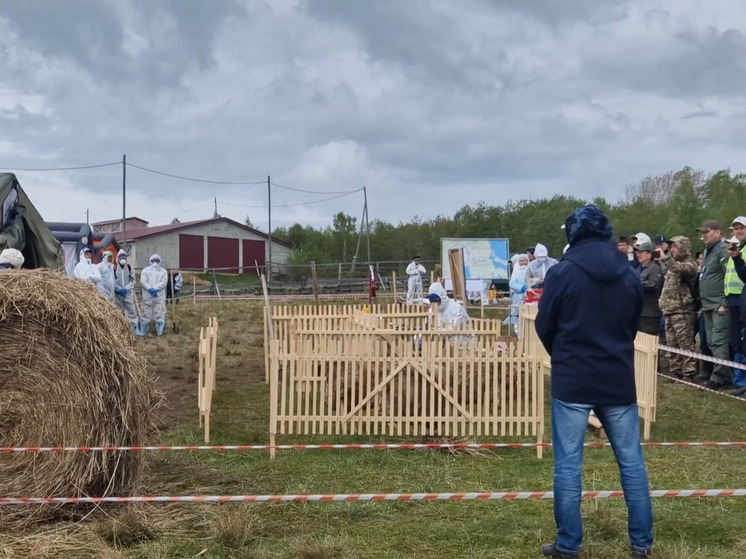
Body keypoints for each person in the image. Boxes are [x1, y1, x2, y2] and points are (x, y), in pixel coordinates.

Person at [535, 205, 653, 559]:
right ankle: (642, 545)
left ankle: (568, 545)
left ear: (573, 233)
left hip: (573, 378)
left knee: (568, 465)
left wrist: (564, 354)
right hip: (617, 378)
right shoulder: (629, 272)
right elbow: (633, 324)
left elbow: (545, 323)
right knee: (632, 462)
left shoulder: (563, 272)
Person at [696, 220, 732, 390]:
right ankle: (725, 375)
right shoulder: (708, 251)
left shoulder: (722, 250)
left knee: (719, 341)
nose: (703, 235)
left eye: (707, 232)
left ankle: (718, 378)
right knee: (711, 342)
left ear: (717, 232)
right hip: (708, 305)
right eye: (702, 232)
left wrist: (725, 302)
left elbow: (730, 276)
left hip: (719, 304)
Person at [659, 236, 699, 379]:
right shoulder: (672, 265)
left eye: (675, 247)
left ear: (682, 248)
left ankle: (689, 372)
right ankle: (675, 372)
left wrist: (666, 259)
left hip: (683, 311)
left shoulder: (689, 265)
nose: (672, 250)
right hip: (669, 310)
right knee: (672, 344)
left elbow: (679, 269)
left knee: (685, 343)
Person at [634, 241, 663, 335]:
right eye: (637, 252)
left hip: (650, 313)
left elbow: (653, 285)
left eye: (641, 252)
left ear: (649, 254)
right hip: (638, 311)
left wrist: (636, 282)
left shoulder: (654, 268)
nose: (638, 255)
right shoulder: (638, 269)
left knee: (649, 340)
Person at [137, 254, 168, 336]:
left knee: (160, 313)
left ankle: (159, 333)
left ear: (159, 261)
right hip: (147, 295)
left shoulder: (163, 271)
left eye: (157, 261)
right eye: (153, 260)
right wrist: (149, 288)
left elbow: (164, 282)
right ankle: (143, 333)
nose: (155, 262)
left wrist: (155, 288)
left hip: (159, 296)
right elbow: (143, 281)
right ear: (150, 261)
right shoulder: (145, 270)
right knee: (145, 313)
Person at [114, 249, 139, 333]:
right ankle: (119, 330)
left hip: (128, 293)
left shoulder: (129, 267)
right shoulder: (114, 268)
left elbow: (133, 280)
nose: (123, 258)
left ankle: (133, 329)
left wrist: (126, 288)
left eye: (124, 256)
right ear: (118, 258)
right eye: (121, 257)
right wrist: (119, 289)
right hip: (117, 294)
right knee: (118, 311)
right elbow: (112, 281)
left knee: (131, 311)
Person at [505, 253, 528, 335]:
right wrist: (522, 287)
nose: (523, 262)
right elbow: (512, 283)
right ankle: (518, 333)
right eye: (521, 261)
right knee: (517, 315)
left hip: (528, 297)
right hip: (518, 297)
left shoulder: (529, 269)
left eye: (524, 260)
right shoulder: (516, 271)